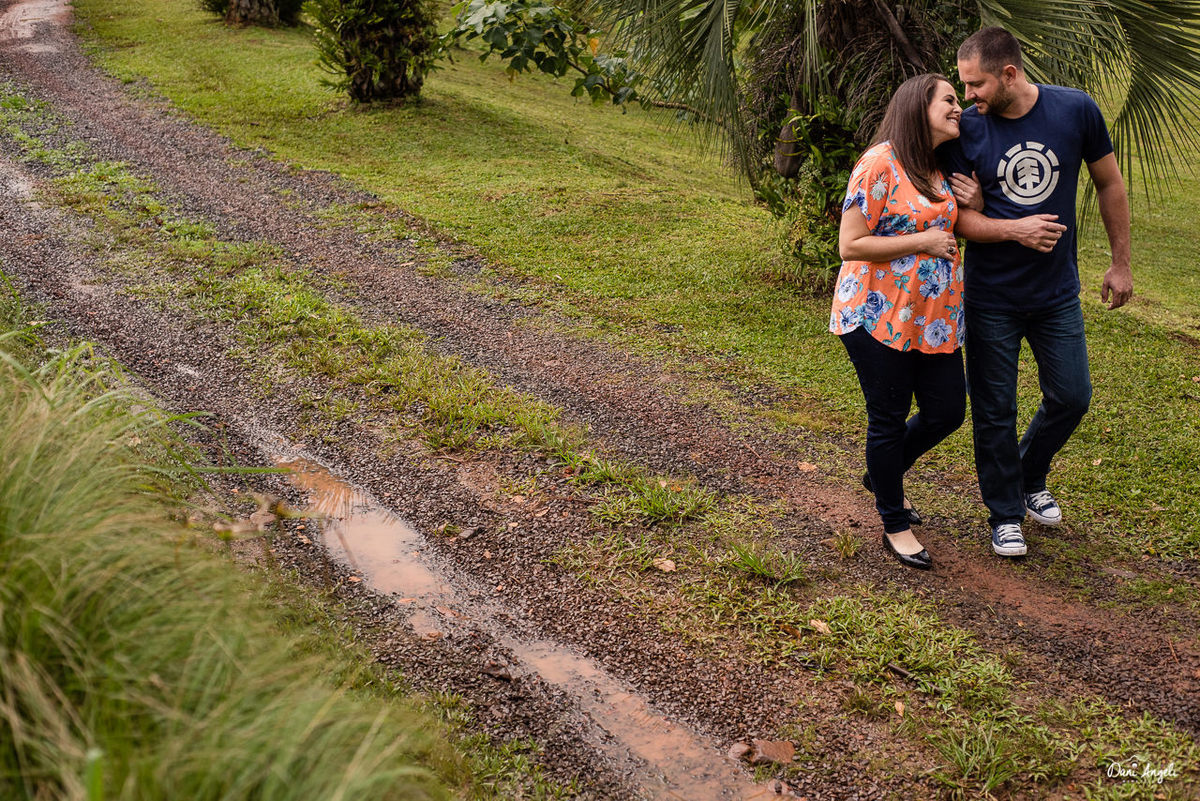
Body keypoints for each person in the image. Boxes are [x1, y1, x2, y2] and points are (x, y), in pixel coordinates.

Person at [942, 26, 1133, 557]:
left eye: (976, 84)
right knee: (994, 410)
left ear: (1009, 74)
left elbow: (1109, 183)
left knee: (1072, 396)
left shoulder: (1075, 110)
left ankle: (1028, 474)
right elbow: (956, 220)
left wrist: (1120, 263)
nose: (969, 97)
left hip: (1056, 293)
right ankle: (1004, 514)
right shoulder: (966, 131)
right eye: (963, 85)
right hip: (991, 295)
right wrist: (1013, 228)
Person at [830, 73, 972, 570]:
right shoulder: (879, 163)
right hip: (877, 315)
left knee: (947, 411)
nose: (958, 107)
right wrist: (923, 241)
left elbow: (952, 219)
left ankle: (882, 474)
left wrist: (972, 203)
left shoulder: (938, 164)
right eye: (948, 100)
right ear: (918, 107)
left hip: (932, 320)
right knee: (887, 418)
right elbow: (850, 244)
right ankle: (895, 523)